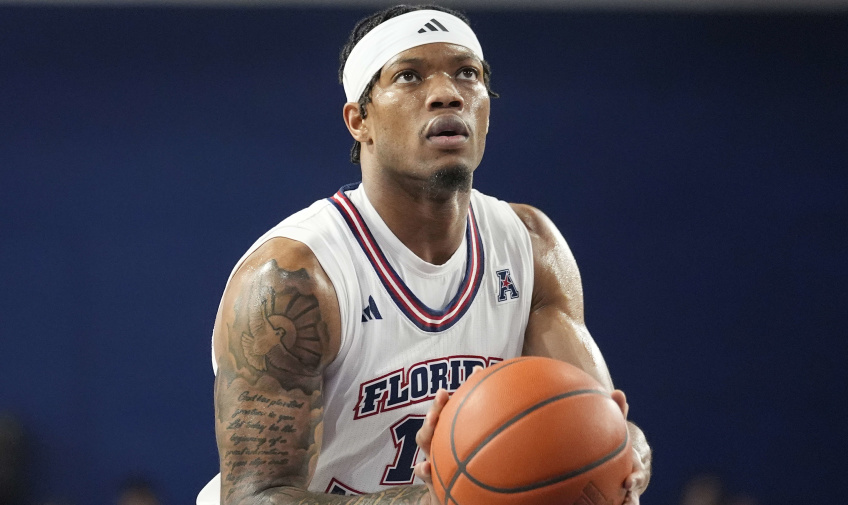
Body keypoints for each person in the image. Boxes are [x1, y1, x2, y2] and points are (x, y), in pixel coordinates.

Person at [199, 4, 651, 505]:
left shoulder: (530, 246)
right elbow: (253, 497)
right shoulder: (292, 280)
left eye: (467, 74)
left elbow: (593, 421)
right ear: (359, 120)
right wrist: (438, 500)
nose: (446, 93)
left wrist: (623, 451)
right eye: (410, 76)